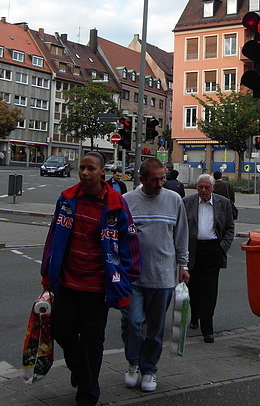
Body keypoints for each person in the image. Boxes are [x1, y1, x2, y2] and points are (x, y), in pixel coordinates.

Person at [40, 151, 141, 405]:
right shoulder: (67, 199)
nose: (85, 173)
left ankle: (88, 394)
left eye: (91, 169)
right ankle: (82, 371)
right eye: (82, 168)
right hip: (67, 282)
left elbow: (129, 240)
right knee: (62, 331)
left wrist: (128, 276)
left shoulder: (116, 203)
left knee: (92, 339)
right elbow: (53, 236)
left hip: (97, 286)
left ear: (102, 172)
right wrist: (46, 274)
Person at [120, 158, 189, 392]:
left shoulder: (174, 200)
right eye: (155, 179)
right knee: (133, 322)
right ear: (142, 179)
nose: (160, 184)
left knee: (156, 329)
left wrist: (183, 264)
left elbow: (180, 235)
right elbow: (119, 236)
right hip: (134, 277)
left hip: (163, 277)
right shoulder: (128, 202)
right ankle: (133, 363)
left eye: (163, 178)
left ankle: (149, 369)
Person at [183, 173, 235, 343]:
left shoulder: (223, 203)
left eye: (206, 187)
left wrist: (222, 248)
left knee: (209, 290)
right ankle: (194, 315)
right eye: (200, 187)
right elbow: (181, 228)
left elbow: (229, 228)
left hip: (213, 249)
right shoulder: (187, 203)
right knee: (193, 287)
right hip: (193, 249)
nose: (203, 190)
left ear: (213, 187)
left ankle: (207, 328)